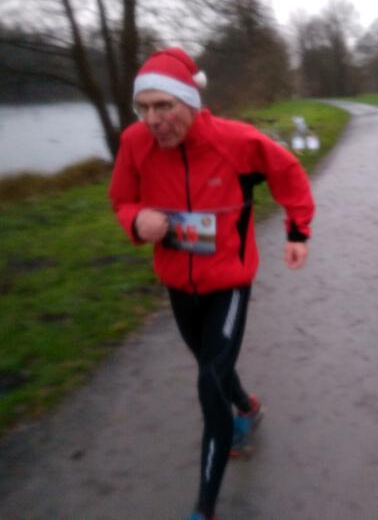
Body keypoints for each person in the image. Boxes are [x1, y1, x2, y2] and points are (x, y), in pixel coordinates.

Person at [108, 47, 315, 520]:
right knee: (212, 365)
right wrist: (136, 220)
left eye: (164, 106)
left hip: (228, 283)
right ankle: (248, 409)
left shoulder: (234, 141)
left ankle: (205, 507)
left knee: (208, 381)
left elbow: (288, 172)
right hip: (178, 284)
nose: (153, 120)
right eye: (143, 108)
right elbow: (121, 199)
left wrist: (297, 231)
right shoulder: (135, 144)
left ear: (189, 101)